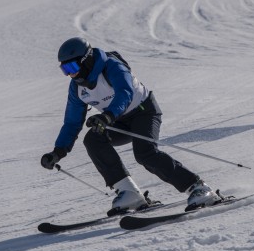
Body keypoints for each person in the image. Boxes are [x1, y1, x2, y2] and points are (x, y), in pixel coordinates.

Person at [41, 37, 221, 214]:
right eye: (64, 69)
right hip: (118, 121)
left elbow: (125, 93)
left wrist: (107, 116)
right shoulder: (77, 88)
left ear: (86, 59)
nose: (70, 74)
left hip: (143, 111)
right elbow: (72, 122)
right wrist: (58, 152)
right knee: (93, 140)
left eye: (72, 67)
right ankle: (129, 192)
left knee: (145, 153)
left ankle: (199, 187)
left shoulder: (111, 66)